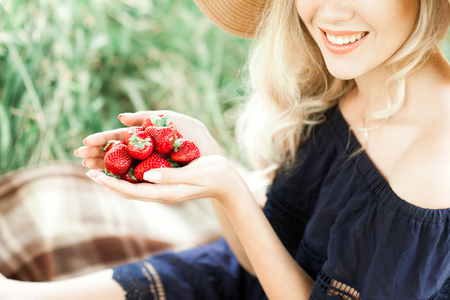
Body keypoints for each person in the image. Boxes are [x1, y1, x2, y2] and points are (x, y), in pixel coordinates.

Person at [2, 0, 450, 299]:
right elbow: (256, 263)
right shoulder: (341, 88)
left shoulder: (436, 159)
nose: (330, 12)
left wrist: (232, 189)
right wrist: (211, 164)